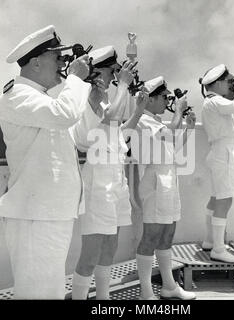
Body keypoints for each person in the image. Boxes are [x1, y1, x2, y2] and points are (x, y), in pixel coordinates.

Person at [0, 25, 92, 299]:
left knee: (51, 290)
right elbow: (64, 114)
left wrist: (93, 94)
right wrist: (77, 80)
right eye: (57, 57)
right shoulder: (17, 96)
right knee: (39, 293)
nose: (63, 63)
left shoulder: (41, 100)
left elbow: (81, 139)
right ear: (35, 62)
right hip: (36, 215)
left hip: (50, 212)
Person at [70, 46, 148, 300]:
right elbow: (111, 116)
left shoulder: (103, 95)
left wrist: (138, 109)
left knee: (109, 246)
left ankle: (104, 300)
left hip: (115, 178)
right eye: (113, 71)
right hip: (97, 181)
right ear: (99, 71)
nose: (115, 76)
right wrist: (123, 87)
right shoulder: (92, 94)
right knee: (91, 252)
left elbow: (118, 129)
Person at [131, 76, 197, 300]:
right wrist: (178, 111)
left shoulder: (156, 121)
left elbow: (173, 146)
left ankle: (169, 286)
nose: (166, 101)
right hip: (155, 180)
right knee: (151, 236)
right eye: (164, 97)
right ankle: (146, 292)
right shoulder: (143, 120)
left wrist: (187, 128)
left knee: (167, 234)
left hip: (168, 177)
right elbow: (168, 136)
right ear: (149, 100)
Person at [200, 64, 234, 263]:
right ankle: (218, 249)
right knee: (225, 200)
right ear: (219, 83)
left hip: (221, 151)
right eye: (229, 81)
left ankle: (210, 240)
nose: (230, 85)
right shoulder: (215, 101)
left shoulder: (213, 103)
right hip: (224, 154)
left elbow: (232, 128)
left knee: (216, 198)